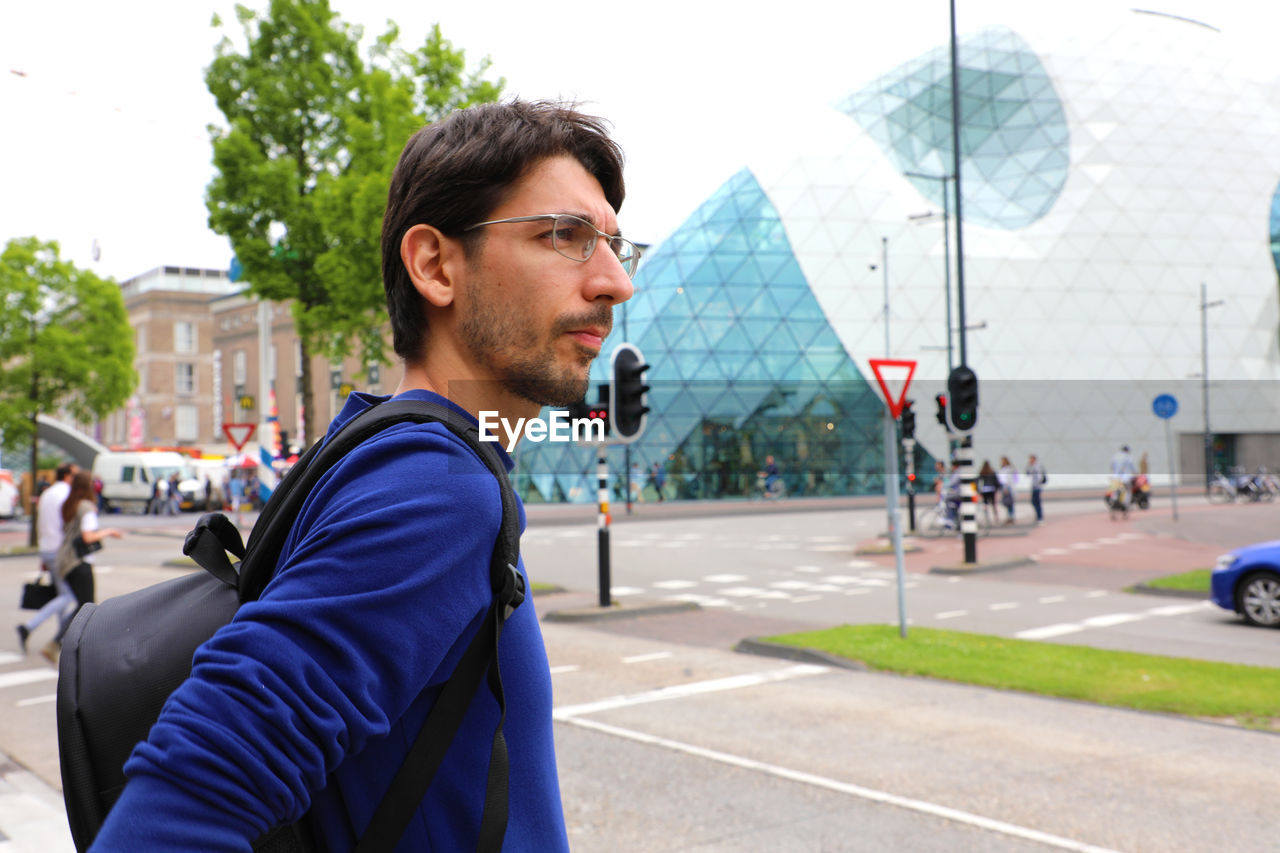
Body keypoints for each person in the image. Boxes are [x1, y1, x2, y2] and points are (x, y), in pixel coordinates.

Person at [93, 100, 636, 851]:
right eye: (566, 236)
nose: (614, 282)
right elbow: (177, 812)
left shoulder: (379, 443)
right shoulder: (437, 487)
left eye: (615, 246)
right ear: (435, 265)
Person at [45, 471, 123, 663]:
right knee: (87, 608)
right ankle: (59, 644)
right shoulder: (86, 507)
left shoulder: (69, 504)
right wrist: (109, 532)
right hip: (79, 561)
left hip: (65, 559)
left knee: (83, 606)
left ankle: (66, 644)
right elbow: (88, 536)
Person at [16, 463, 77, 655]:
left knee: (62, 593)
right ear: (67, 476)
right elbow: (68, 525)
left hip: (47, 548)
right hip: (61, 550)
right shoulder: (66, 494)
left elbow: (42, 524)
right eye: (74, 475)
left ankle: (62, 637)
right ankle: (29, 626)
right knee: (68, 595)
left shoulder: (48, 493)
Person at [1026, 453, 1047, 523]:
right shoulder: (1032, 466)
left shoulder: (1038, 466)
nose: (1030, 460)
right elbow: (1027, 474)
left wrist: (1038, 483)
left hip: (1037, 486)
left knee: (1037, 502)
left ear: (1034, 459)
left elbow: (1039, 476)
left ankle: (1040, 518)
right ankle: (1038, 516)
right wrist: (1028, 466)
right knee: (1033, 502)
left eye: (1031, 459)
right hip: (1034, 486)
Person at [997, 456, 1019, 524]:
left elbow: (1011, 478)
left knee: (1010, 502)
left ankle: (1011, 516)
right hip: (1004, 487)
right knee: (1006, 502)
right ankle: (1009, 516)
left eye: (1003, 461)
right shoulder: (1003, 469)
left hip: (1008, 487)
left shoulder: (1009, 469)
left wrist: (1007, 487)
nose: (1002, 462)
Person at [977, 460, 999, 525]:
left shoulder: (982, 472)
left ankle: (986, 517)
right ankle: (996, 518)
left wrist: (979, 490)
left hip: (984, 489)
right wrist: (996, 489)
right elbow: (996, 482)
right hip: (991, 489)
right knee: (993, 504)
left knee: (985, 504)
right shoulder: (992, 472)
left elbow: (977, 480)